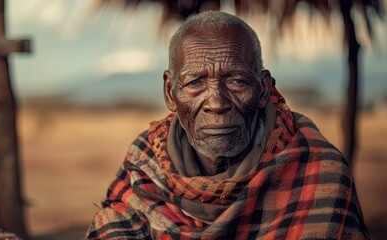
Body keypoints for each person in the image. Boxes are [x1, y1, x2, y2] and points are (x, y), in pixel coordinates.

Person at [85, 11, 368, 239]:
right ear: (171, 93)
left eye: (237, 81)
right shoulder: (146, 162)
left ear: (263, 88)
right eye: (195, 83)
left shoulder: (317, 170)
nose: (217, 103)